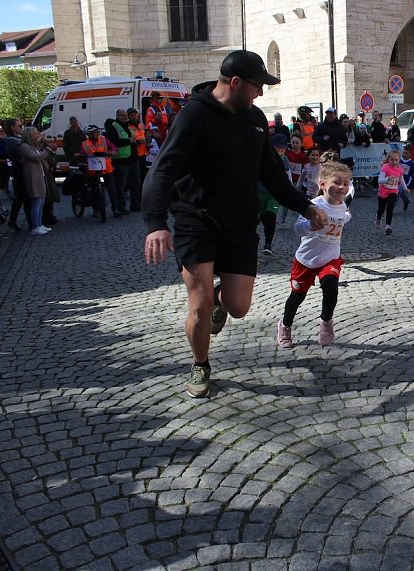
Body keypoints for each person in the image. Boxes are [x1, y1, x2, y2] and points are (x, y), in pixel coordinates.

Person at [142, 50, 327, 399]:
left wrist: (304, 206)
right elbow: (163, 168)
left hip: (241, 223)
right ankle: (200, 363)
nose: (261, 93)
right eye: (258, 85)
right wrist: (155, 222)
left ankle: (217, 301)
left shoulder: (255, 119)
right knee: (198, 302)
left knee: (238, 306)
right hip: (197, 220)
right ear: (236, 83)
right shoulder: (194, 115)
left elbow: (271, 173)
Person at [277, 161, 353, 349]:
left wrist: (347, 217)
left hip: (330, 258)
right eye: (337, 182)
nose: (342, 187)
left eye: (346, 183)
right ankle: (285, 325)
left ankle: (326, 322)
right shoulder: (314, 206)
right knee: (297, 296)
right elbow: (297, 229)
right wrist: (310, 224)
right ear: (322, 184)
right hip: (307, 259)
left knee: (330, 286)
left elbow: (344, 217)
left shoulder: (343, 206)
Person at [18, 126, 55, 235]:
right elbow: (37, 158)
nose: (37, 135)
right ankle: (35, 227)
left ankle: (39, 224)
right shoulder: (25, 147)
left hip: (40, 175)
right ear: (29, 135)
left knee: (41, 202)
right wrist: (48, 149)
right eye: (35, 133)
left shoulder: (32, 146)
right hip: (33, 177)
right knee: (36, 202)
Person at [259, 134, 291, 255]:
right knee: (263, 217)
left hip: (274, 193)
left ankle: (268, 244)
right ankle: (267, 232)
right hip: (260, 191)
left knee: (271, 215)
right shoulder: (263, 157)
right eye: (277, 148)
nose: (280, 151)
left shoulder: (285, 160)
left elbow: (288, 176)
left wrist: (289, 190)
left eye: (282, 148)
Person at [376, 149, 407, 236]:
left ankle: (388, 226)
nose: (394, 162)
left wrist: (405, 188)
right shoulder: (385, 167)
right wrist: (387, 179)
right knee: (381, 209)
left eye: (396, 160)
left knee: (390, 207)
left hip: (393, 191)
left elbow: (401, 179)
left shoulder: (400, 169)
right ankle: (378, 219)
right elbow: (379, 180)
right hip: (383, 191)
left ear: (399, 160)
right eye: (392, 160)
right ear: (388, 159)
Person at [398, 146, 414, 210]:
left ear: (410, 154)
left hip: (406, 180)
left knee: (399, 191)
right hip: (397, 178)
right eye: (403, 153)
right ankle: (406, 201)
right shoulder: (399, 160)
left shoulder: (411, 163)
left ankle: (393, 205)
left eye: (406, 153)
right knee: (400, 192)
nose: (404, 154)